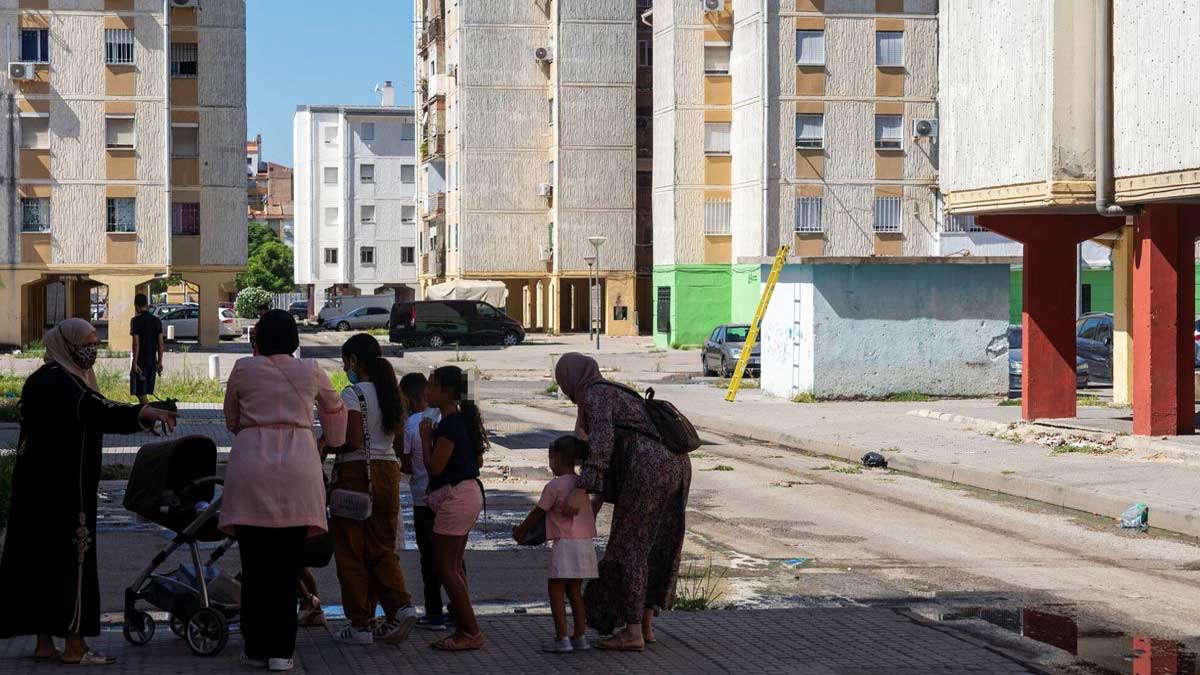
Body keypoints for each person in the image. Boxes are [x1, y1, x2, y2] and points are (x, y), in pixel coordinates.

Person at [0, 318, 177, 665]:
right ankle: (75, 646)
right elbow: (98, 411)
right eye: (87, 343)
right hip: (66, 490)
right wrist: (144, 411)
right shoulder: (60, 383)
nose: (92, 350)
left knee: (41, 562)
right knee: (71, 563)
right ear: (67, 345)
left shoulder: (47, 378)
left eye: (96, 343)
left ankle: (44, 643)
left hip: (34, 488)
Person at [220, 310, 346, 672]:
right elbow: (335, 411)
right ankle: (281, 653)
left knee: (254, 568)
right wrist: (325, 441)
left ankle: (256, 647)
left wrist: (254, 431)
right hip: (299, 469)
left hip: (250, 468)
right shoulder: (311, 370)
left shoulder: (243, 368)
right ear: (294, 339)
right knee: (287, 568)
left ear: (258, 339)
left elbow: (231, 418)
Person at [554, 353, 691, 652]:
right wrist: (598, 499)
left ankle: (631, 632)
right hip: (676, 465)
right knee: (654, 545)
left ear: (570, 378)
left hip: (648, 469)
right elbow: (620, 446)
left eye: (563, 381)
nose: (565, 389)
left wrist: (582, 488)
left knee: (629, 547)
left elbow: (602, 444)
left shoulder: (595, 394)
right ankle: (645, 624)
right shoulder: (613, 390)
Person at [329, 334, 419, 645]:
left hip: (355, 474)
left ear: (354, 360)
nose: (345, 367)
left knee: (351, 551)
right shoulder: (391, 394)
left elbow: (351, 440)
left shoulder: (353, 394)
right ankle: (402, 606)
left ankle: (359, 624)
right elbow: (395, 442)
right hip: (387, 473)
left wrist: (325, 443)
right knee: (381, 547)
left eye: (345, 361)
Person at [419, 365, 487, 651]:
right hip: (468, 494)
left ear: (446, 392)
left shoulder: (448, 425)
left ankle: (470, 630)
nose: (426, 391)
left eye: (431, 385)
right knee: (454, 566)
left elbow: (434, 466)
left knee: (446, 567)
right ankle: (463, 627)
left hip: (458, 498)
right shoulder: (458, 421)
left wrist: (425, 437)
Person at [513, 436, 598, 654]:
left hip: (566, 544)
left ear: (558, 458)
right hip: (585, 543)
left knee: (556, 590)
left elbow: (537, 513)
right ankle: (580, 636)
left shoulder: (554, 486)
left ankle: (562, 638)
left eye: (550, 457)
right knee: (575, 591)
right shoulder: (581, 485)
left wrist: (521, 531)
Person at [399, 372, 454, 631]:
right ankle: (456, 608)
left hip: (422, 499)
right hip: (449, 497)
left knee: (428, 558)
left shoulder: (411, 425)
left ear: (410, 397)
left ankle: (434, 613)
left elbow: (407, 463)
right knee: (454, 556)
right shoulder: (446, 418)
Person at [129, 293, 164, 405]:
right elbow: (160, 344)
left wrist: (134, 363)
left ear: (137, 306)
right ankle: (147, 419)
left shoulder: (135, 321)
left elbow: (136, 344)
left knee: (141, 394)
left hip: (141, 363)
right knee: (143, 394)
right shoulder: (156, 321)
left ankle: (151, 419)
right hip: (152, 362)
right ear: (147, 305)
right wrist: (160, 362)